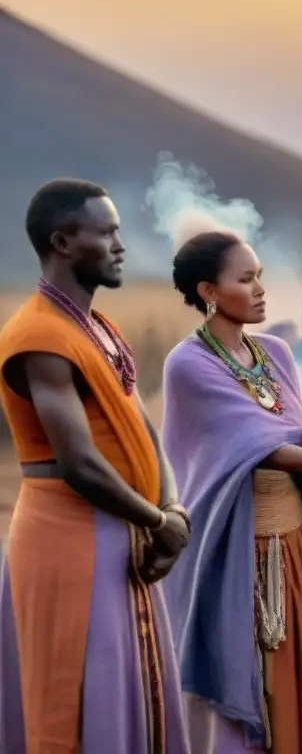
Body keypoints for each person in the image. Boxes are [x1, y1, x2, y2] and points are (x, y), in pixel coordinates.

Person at [159, 229, 302, 754]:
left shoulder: (276, 354)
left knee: (296, 682)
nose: (261, 289)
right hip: (239, 552)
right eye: (245, 278)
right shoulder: (189, 363)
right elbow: (256, 444)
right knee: (251, 689)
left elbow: (295, 438)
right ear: (209, 291)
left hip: (295, 550)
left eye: (260, 275)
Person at [0, 178, 191, 753]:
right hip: (70, 540)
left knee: (129, 686)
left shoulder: (98, 328)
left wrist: (172, 505)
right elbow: (79, 463)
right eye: (106, 232)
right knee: (81, 696)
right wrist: (160, 525)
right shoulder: (39, 334)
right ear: (63, 242)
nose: (120, 244)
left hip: (124, 532)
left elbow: (144, 430)